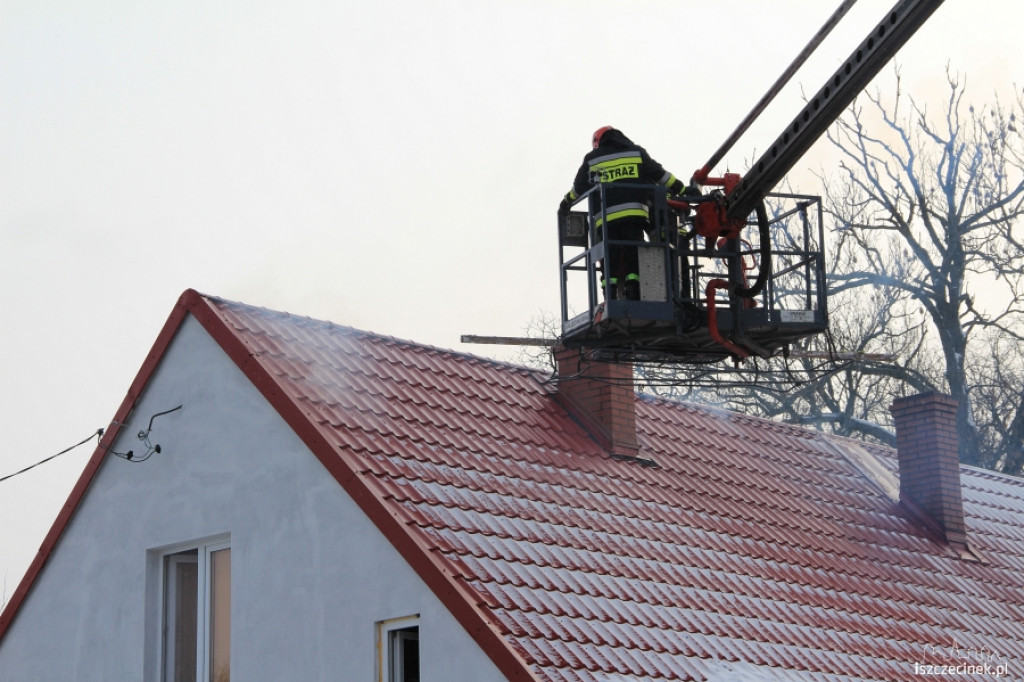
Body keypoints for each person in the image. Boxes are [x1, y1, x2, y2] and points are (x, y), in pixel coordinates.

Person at [559, 126, 688, 301]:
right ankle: (634, 288)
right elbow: (660, 175)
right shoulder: (636, 152)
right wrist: (682, 189)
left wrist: (566, 202)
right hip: (634, 216)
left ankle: (609, 293)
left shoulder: (592, 159)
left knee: (609, 255)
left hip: (606, 220)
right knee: (633, 252)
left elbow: (579, 188)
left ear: (598, 142)